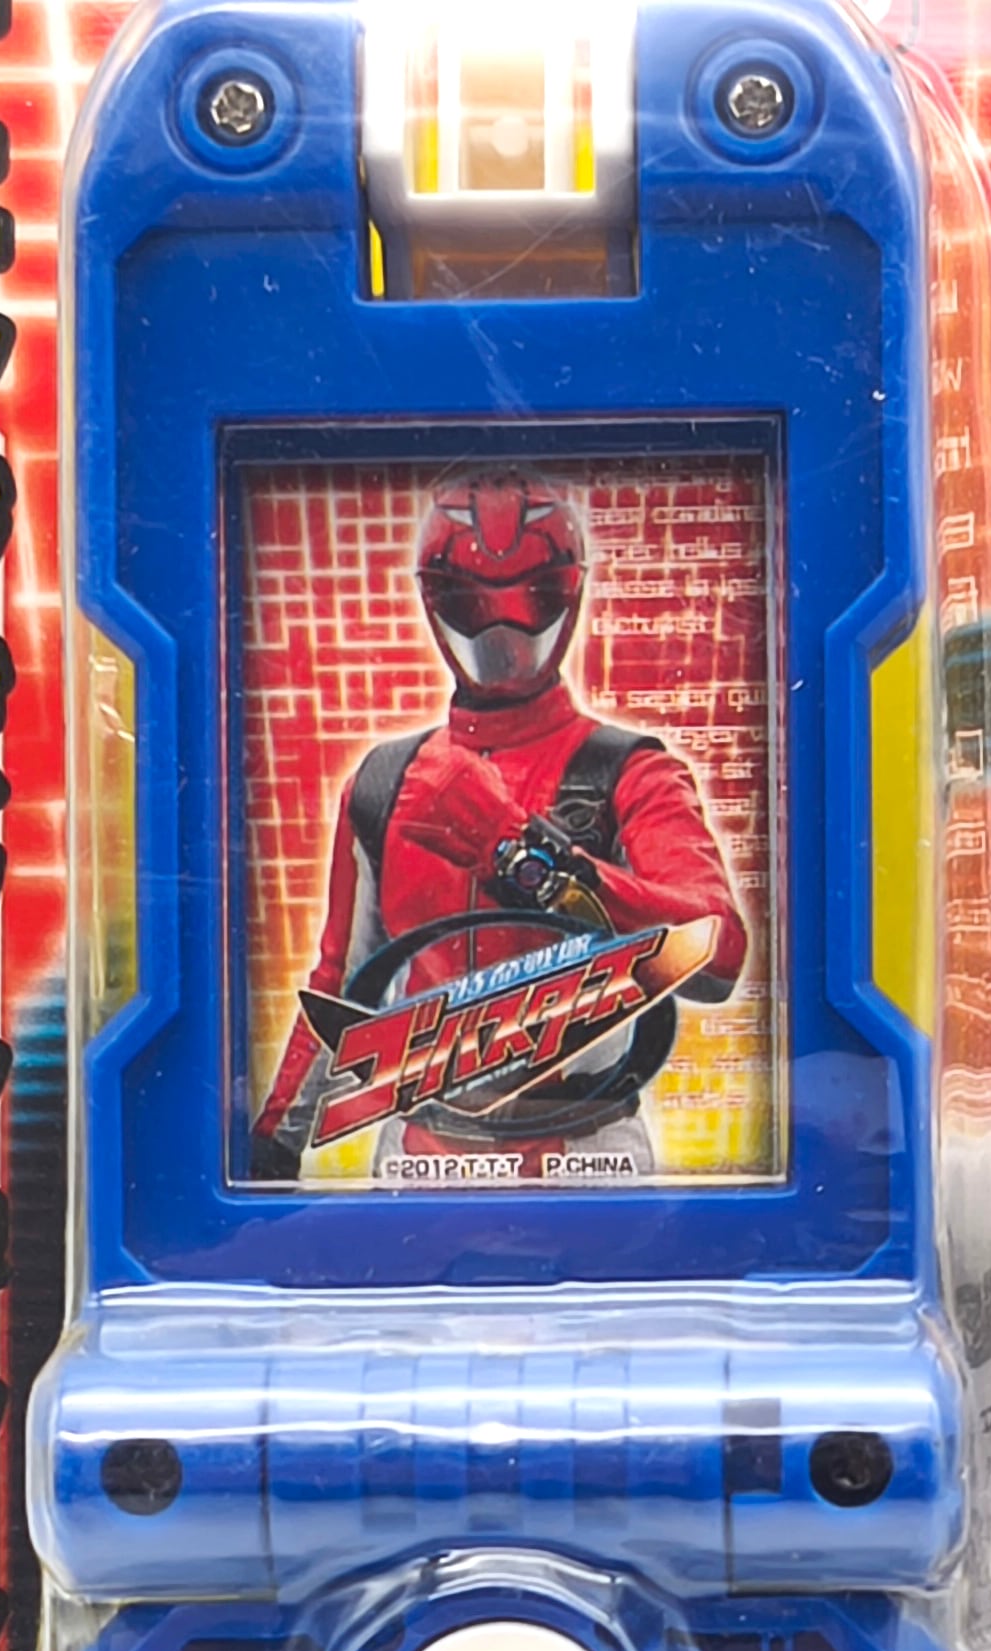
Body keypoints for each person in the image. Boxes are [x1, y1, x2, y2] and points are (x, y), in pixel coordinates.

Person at [251, 464, 750, 1180]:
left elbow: (716, 949)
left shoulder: (628, 771)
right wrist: (274, 1144)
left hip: (584, 1152)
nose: (503, 629)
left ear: (566, 592)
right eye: (472, 600)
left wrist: (525, 855)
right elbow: (342, 983)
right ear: (437, 598)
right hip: (426, 1150)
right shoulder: (385, 782)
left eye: (532, 597)